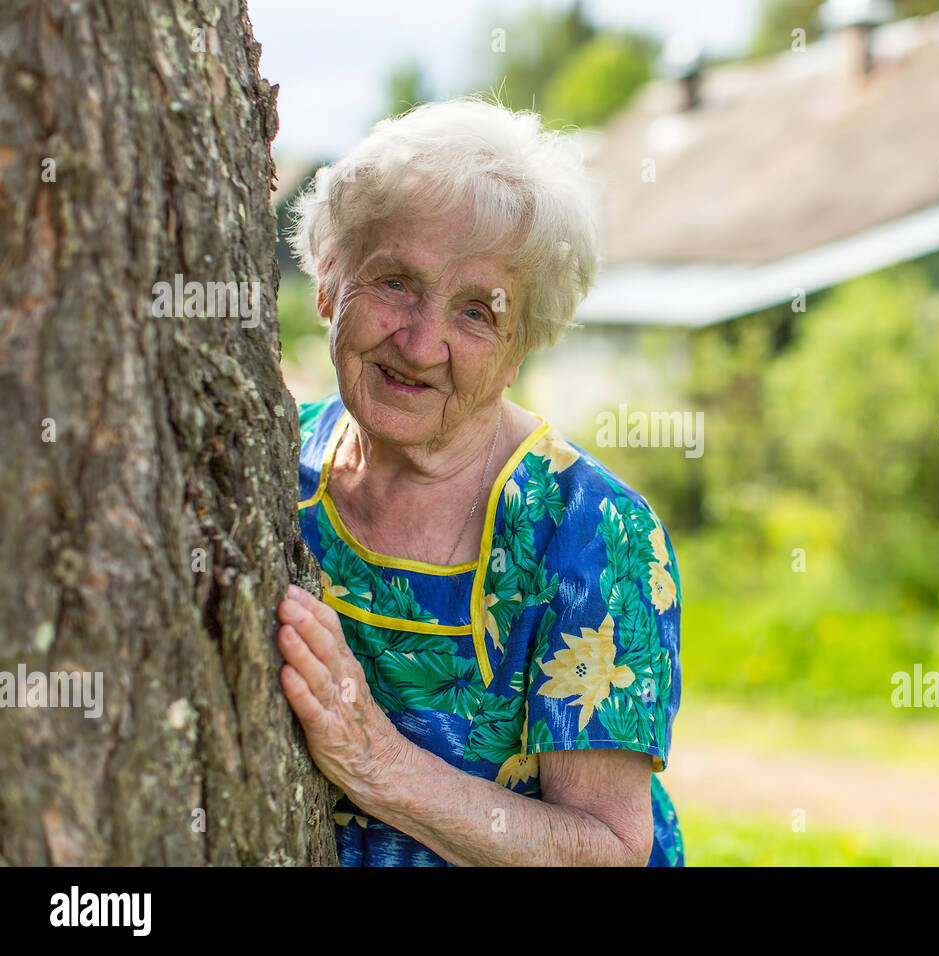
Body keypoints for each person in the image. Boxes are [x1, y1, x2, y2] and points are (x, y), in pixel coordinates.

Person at [277, 95, 683, 866]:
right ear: (329, 284)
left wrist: (377, 764)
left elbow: (607, 851)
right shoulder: (267, 464)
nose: (421, 343)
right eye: (395, 282)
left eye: (475, 314)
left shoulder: (591, 533)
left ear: (519, 349)